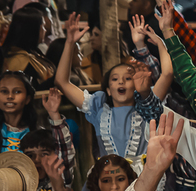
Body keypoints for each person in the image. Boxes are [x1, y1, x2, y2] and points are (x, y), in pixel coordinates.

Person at [56, 16, 171, 164]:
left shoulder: (147, 106)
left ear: (136, 86)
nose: (121, 81)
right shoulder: (98, 107)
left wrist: (159, 43)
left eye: (128, 78)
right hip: (108, 176)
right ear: (108, 90)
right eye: (115, 79)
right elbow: (62, 82)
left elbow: (167, 74)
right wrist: (69, 43)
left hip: (143, 176)